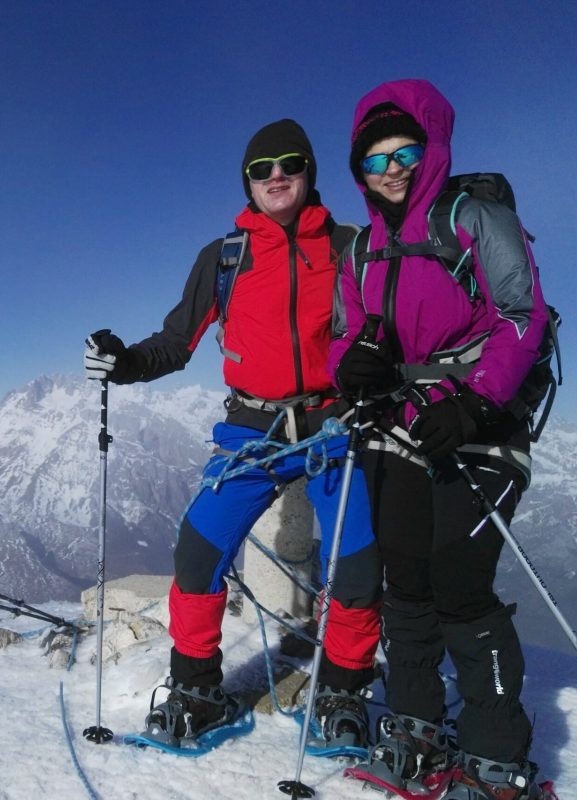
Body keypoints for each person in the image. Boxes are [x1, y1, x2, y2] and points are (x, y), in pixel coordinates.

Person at [84, 119, 382, 751]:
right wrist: (124, 362)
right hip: (253, 426)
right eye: (262, 168)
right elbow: (175, 342)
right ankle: (196, 689)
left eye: (290, 164)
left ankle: (342, 692)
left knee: (357, 562)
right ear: (247, 182)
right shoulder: (225, 257)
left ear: (310, 173)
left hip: (333, 423)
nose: (277, 176)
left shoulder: (352, 245)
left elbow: (387, 329)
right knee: (197, 550)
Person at [331, 79, 554, 799]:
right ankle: (414, 727)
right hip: (401, 425)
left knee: (459, 582)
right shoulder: (363, 246)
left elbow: (522, 318)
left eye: (405, 151)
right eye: (374, 159)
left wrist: (474, 401)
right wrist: (352, 367)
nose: (391, 168)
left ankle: (496, 757)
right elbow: (343, 334)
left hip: (479, 428)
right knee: (408, 580)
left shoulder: (476, 219)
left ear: (431, 150)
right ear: (358, 169)